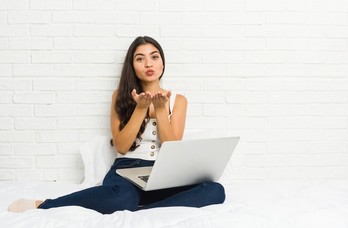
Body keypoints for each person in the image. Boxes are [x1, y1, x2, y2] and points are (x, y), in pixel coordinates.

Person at [8, 36, 225, 214]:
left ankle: (142, 210)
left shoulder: (178, 100)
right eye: (140, 59)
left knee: (215, 191)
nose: (149, 64)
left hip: (163, 173)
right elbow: (121, 146)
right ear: (132, 65)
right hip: (126, 172)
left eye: (154, 57)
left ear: (162, 62)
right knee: (122, 197)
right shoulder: (120, 97)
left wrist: (160, 110)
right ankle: (43, 204)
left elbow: (172, 145)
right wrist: (140, 109)